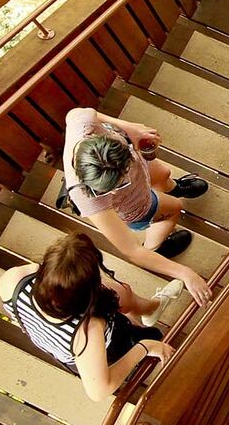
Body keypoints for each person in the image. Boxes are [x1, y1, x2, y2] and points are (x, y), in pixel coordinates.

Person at [0, 233, 181, 401]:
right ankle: (149, 319)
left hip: (65, 349)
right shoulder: (88, 331)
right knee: (146, 330)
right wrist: (144, 347)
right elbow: (99, 391)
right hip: (108, 349)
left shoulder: (13, 280)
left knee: (122, 295)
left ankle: (149, 311)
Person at [61, 107, 211, 305]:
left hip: (140, 170)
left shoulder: (83, 126)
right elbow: (131, 250)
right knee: (174, 207)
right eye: (119, 183)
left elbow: (74, 112)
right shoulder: (87, 198)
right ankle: (154, 247)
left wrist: (127, 127)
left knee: (163, 173)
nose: (126, 176)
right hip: (135, 204)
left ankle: (173, 187)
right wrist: (185, 273)